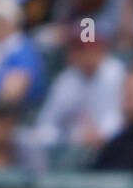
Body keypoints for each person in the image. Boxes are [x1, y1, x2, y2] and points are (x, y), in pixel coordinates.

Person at [34, 28, 125, 165]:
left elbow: (120, 120)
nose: (86, 54)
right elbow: (45, 125)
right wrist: (70, 137)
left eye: (90, 49)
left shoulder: (115, 73)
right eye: (79, 49)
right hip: (68, 151)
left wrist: (101, 133)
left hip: (109, 148)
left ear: (100, 49)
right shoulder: (65, 80)